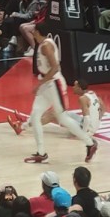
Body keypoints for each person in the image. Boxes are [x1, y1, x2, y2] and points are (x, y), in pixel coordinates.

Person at [21, 24, 98, 163]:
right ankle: (41, 153)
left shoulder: (46, 46)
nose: (32, 34)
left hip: (54, 83)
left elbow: (55, 67)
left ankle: (90, 143)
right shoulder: (43, 44)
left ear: (38, 32)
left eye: (33, 32)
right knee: (35, 115)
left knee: (62, 118)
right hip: (46, 83)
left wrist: (39, 83)